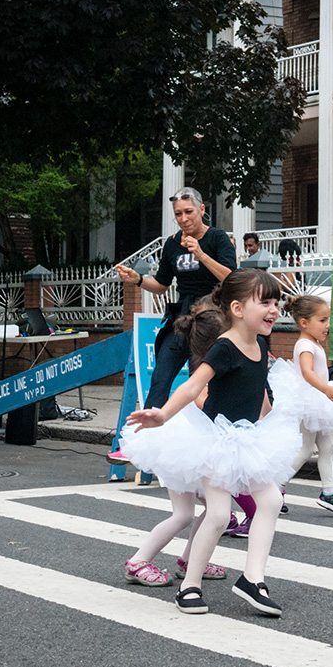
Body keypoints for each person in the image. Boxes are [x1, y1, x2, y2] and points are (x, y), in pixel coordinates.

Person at [122, 269, 301, 616]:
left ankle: (253, 578)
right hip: (215, 440)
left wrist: (271, 420)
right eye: (264, 302)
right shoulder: (224, 347)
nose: (274, 309)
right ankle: (189, 586)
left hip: (246, 438)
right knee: (218, 515)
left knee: (271, 501)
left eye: (276, 302)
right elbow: (191, 387)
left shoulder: (261, 345)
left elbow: (259, 391)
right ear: (236, 307)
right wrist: (162, 415)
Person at [111, 187, 236, 463]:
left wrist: (201, 254)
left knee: (202, 384)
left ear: (202, 210)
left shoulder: (218, 239)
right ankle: (140, 443)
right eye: (178, 214)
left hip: (212, 318)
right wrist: (138, 280)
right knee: (161, 375)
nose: (183, 219)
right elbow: (162, 284)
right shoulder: (171, 244)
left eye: (188, 212)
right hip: (182, 316)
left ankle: (207, 448)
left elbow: (231, 277)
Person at [120, 300, 230, 587]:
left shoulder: (209, 367)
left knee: (213, 506)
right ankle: (139, 561)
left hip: (192, 446)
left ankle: (191, 559)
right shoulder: (205, 372)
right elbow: (203, 402)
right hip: (183, 446)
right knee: (184, 514)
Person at [273, 294, 333, 515]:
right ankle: (274, 487)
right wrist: (326, 389)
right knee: (306, 449)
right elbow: (308, 373)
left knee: (326, 447)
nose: (327, 325)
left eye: (328, 319)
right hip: (311, 402)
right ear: (304, 323)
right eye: (322, 320)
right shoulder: (305, 345)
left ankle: (329, 492)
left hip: (317, 402)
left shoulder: (313, 343)